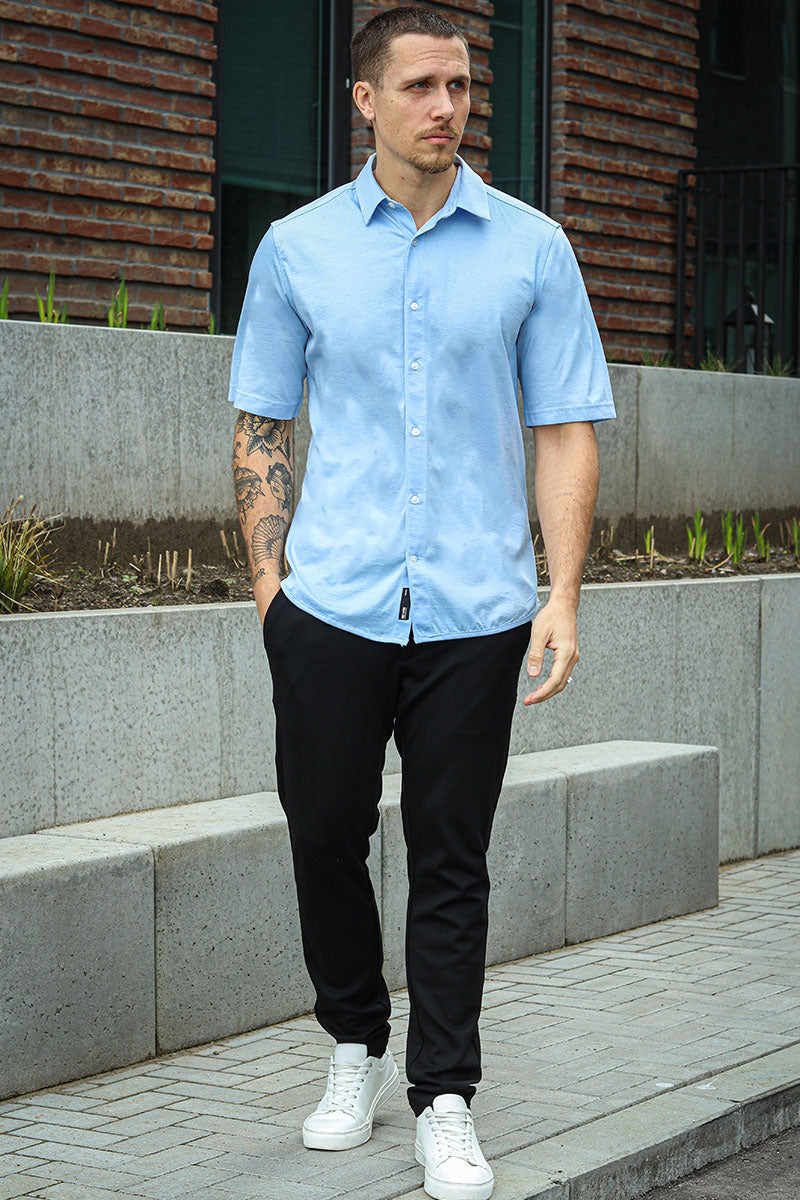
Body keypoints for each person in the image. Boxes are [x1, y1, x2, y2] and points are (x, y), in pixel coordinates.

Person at [228, 7, 616, 1198]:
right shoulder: (295, 249)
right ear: (364, 99)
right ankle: (354, 1040)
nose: (446, 107)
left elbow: (563, 430)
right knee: (322, 833)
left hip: (475, 610)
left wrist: (559, 595)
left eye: (459, 85)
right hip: (331, 606)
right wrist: (273, 596)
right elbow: (260, 427)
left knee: (452, 856)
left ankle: (443, 1093)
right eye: (419, 87)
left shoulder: (531, 249)